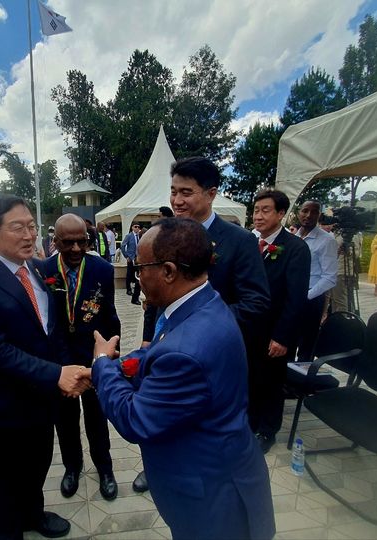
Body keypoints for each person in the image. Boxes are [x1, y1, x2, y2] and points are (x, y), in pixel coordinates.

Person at [90, 218, 275, 540]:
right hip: (222, 470)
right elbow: (158, 355)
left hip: (210, 501)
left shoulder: (188, 348)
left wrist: (102, 364)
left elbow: (136, 419)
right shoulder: (201, 304)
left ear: (169, 271)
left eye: (140, 267)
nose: (138, 276)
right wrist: (120, 368)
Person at [0, 194, 90, 540]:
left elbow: (52, 329)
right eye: (18, 228)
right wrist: (56, 374)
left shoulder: (37, 269)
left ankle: (33, 514)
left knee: (38, 464)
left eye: (32, 226)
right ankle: (8, 531)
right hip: (5, 404)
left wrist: (67, 371)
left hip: (44, 397)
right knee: (4, 479)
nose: (29, 235)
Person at [136, 155, 270, 492]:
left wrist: (200, 325)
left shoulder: (238, 241)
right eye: (173, 191)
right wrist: (148, 340)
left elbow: (256, 303)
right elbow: (158, 292)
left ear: (211, 194)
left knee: (197, 425)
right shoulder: (162, 233)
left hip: (207, 356)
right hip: (164, 347)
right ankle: (155, 467)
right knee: (160, 412)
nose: (177, 201)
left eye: (186, 192)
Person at [43, 214, 120, 501]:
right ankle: (72, 468)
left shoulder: (102, 268)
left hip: (93, 359)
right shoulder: (45, 270)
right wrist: (63, 365)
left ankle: (105, 469)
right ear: (56, 241)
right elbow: (49, 324)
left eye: (81, 242)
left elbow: (110, 315)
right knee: (64, 421)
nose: (76, 249)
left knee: (98, 419)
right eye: (68, 242)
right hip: (61, 363)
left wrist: (105, 359)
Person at [250, 190, 311, 453]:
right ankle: (249, 422)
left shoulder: (296, 248)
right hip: (250, 329)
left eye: (265, 210)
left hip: (275, 332)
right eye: (255, 210)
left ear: (280, 214)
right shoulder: (251, 244)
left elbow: (296, 298)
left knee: (272, 382)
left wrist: (283, 337)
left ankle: (267, 430)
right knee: (251, 377)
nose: (258, 216)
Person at [295, 201, 338, 361]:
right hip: (293, 297)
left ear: (319, 215)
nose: (308, 215)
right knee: (288, 341)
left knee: (306, 346)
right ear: (298, 213)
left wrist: (307, 295)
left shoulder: (326, 241)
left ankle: (300, 382)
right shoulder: (294, 237)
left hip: (311, 299)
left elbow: (330, 277)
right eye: (305, 211)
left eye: (313, 212)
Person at [330, 227, 363, 312]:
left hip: (343, 271)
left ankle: (343, 320)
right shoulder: (337, 233)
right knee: (335, 299)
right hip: (333, 270)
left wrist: (347, 251)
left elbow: (356, 253)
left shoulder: (352, 235)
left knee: (341, 300)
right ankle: (335, 319)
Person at [121, 223, 142, 304]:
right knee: (129, 274)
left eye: (138, 227)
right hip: (131, 257)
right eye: (135, 227)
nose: (137, 228)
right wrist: (126, 256)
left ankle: (136, 288)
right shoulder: (129, 236)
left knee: (137, 274)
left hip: (138, 258)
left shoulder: (140, 236)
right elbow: (123, 246)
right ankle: (128, 289)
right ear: (132, 227)